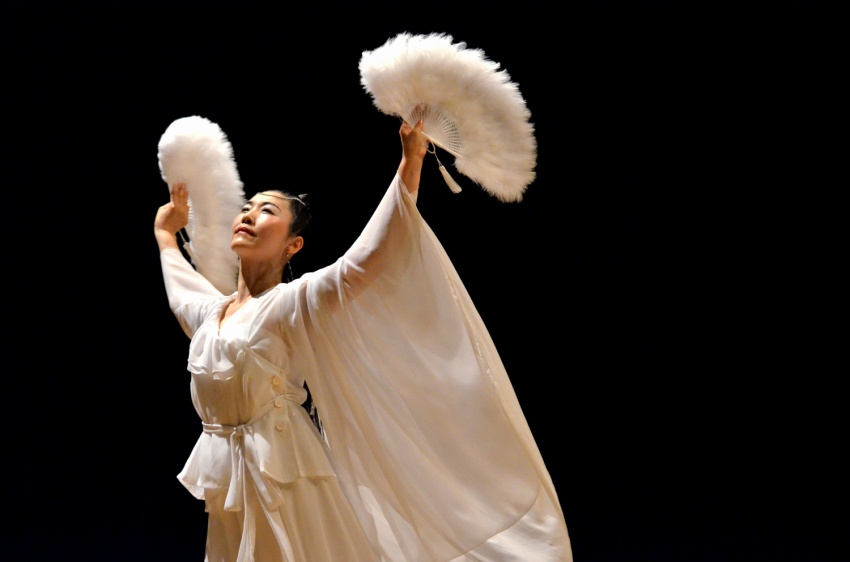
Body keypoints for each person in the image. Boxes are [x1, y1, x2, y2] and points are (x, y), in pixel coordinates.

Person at [154, 117, 573, 561]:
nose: (248, 214)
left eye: (267, 211)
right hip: (230, 483)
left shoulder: (290, 303)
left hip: (284, 477)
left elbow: (364, 261)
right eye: (247, 207)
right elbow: (182, 292)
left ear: (293, 245)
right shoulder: (212, 314)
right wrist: (165, 233)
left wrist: (410, 163)